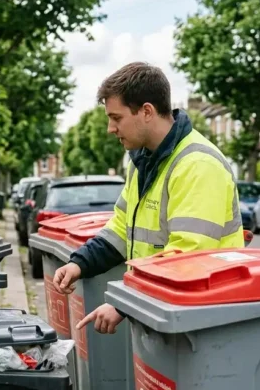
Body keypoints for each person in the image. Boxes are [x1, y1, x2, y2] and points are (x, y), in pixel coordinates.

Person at [53, 62, 244, 334]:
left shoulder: (198, 165)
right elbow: (121, 229)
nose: (110, 128)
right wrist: (79, 263)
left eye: (116, 118)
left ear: (146, 111)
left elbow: (187, 257)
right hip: (163, 311)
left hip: (203, 320)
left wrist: (123, 303)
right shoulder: (142, 162)